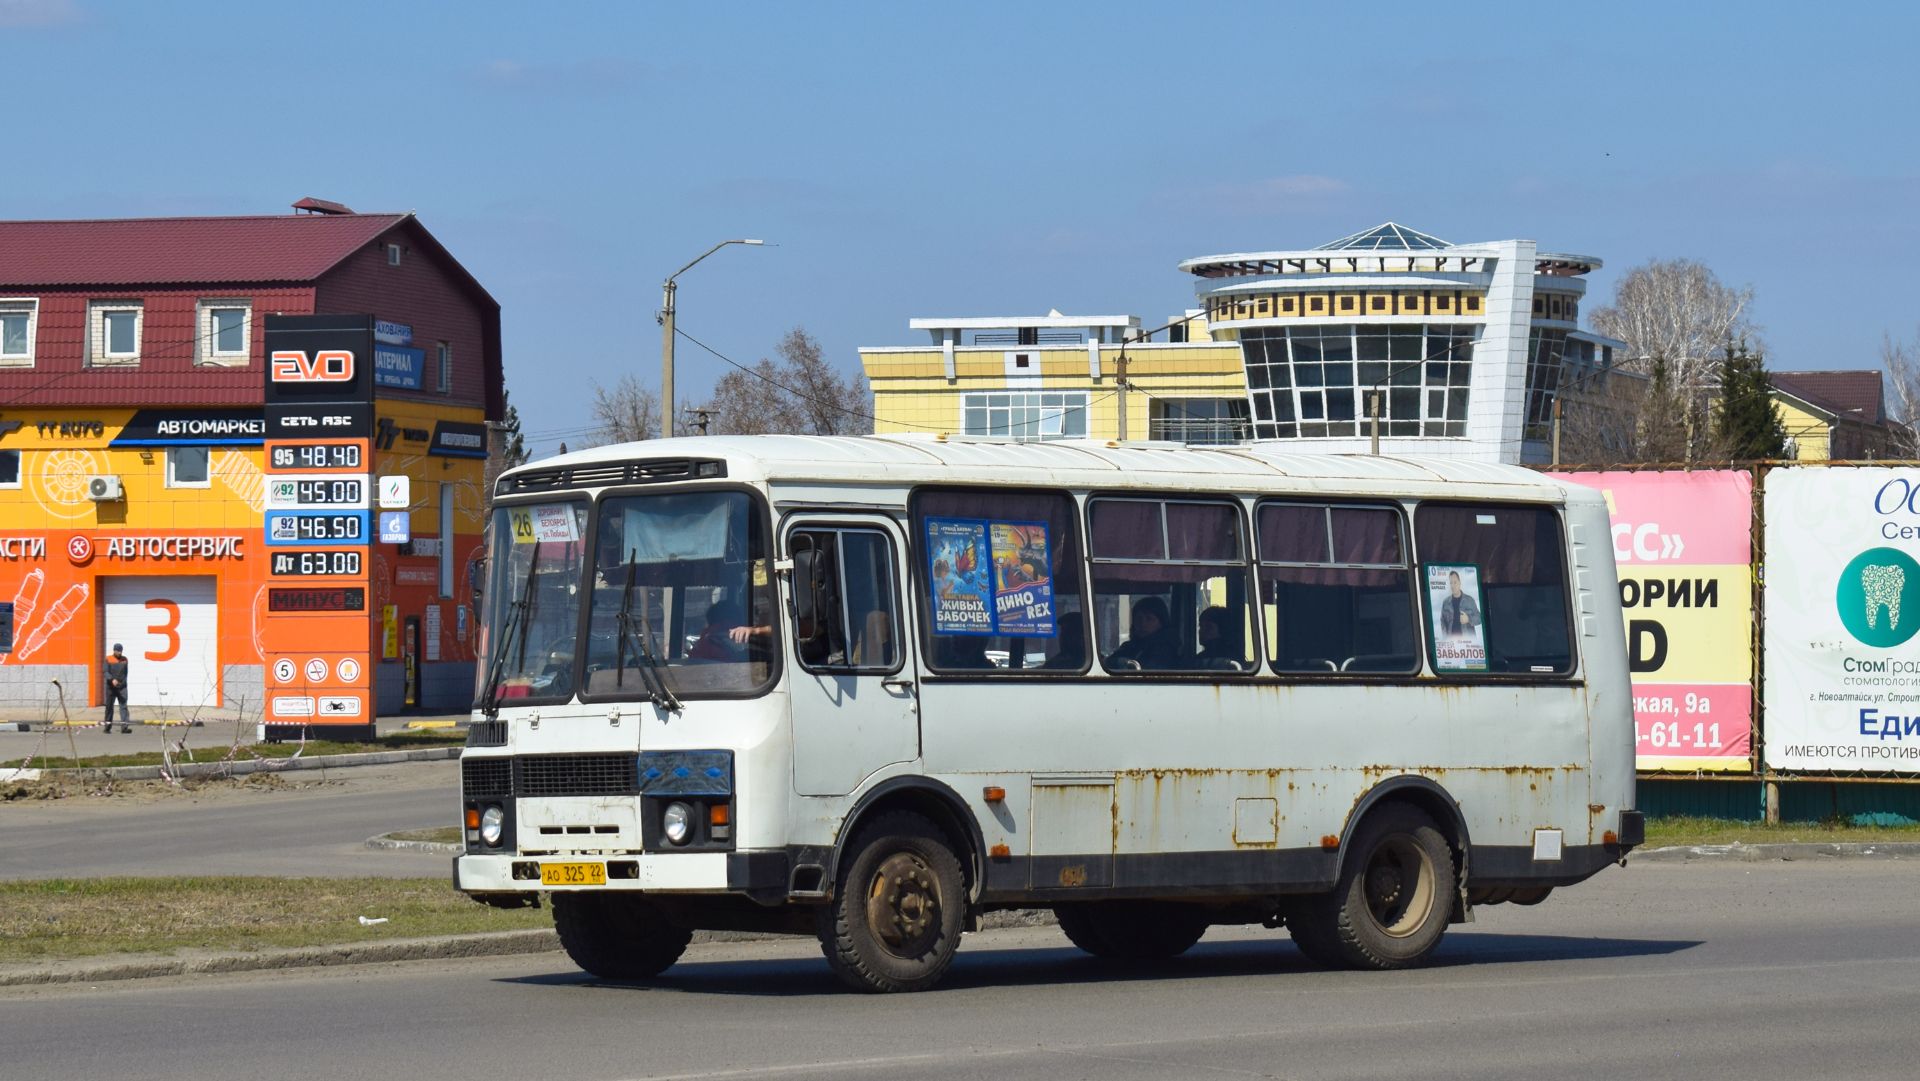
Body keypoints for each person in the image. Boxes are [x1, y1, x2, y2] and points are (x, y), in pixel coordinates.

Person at [1110, 596, 1183, 670]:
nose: (1143, 623)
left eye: (1149, 619)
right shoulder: (1130, 646)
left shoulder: (1165, 649)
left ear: (1162, 622)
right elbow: (1108, 663)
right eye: (1139, 618)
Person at [1440, 571, 1481, 638]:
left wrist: (1468, 619)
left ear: (1459, 583)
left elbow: (1479, 618)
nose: (1452, 585)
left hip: (1468, 643)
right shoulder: (1446, 602)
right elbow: (1442, 621)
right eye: (1451, 583)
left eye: (1455, 582)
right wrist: (1446, 638)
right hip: (1452, 642)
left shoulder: (1469, 600)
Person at [101, 643, 131, 733]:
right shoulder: (108, 659)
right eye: (118, 651)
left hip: (122, 687)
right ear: (114, 650)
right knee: (109, 707)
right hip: (111, 687)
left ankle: (124, 727)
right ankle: (107, 727)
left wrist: (123, 683)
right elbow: (105, 671)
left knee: (123, 706)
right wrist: (112, 679)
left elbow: (125, 673)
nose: (119, 653)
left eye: (120, 651)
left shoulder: (125, 659)